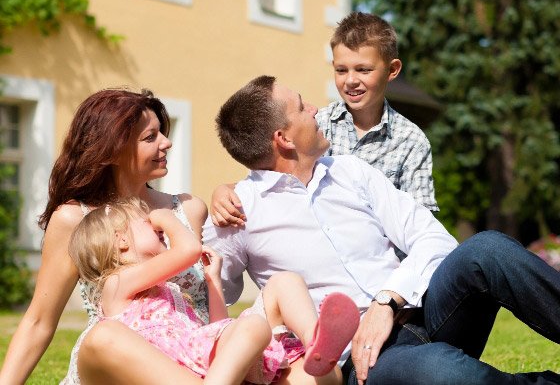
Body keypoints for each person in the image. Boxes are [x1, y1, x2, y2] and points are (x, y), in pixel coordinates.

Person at [203, 75, 560, 385]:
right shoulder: (239, 211)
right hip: (365, 362)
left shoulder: (351, 172)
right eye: (300, 106)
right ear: (284, 138)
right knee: (438, 373)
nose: (315, 108)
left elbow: (434, 238)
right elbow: (205, 300)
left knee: (487, 250)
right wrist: (207, 208)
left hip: (421, 310)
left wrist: (387, 300)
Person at [0, 88, 208, 385]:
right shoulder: (75, 218)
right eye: (150, 137)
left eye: (162, 133)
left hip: (192, 362)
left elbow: (209, 306)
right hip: (113, 371)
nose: (167, 142)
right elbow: (39, 321)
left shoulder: (189, 209)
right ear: (112, 150)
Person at [68, 197, 360, 384]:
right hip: (185, 373)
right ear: (120, 240)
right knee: (254, 326)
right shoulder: (116, 283)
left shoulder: (168, 292)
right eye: (146, 222)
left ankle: (317, 346)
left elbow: (214, 331)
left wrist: (213, 280)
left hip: (214, 369)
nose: (155, 222)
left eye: (154, 220)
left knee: (285, 283)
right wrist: (167, 217)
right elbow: (189, 249)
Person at [210, 12, 437, 228]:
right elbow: (276, 181)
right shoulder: (317, 124)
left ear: (392, 69)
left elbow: (420, 220)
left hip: (384, 260)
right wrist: (227, 189)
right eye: (341, 70)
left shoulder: (411, 140)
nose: (350, 80)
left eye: (363, 70)